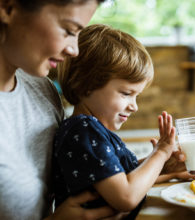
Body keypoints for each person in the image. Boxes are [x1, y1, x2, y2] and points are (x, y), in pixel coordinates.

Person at [0, 0, 128, 219]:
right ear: (8, 8)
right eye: (69, 31)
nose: (74, 50)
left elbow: (84, 168)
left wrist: (157, 166)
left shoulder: (42, 90)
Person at [53, 24, 186, 218]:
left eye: (136, 96)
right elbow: (126, 196)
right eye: (126, 94)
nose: (134, 106)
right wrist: (161, 151)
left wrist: (169, 169)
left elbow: (124, 177)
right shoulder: (83, 130)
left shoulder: (92, 131)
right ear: (85, 85)